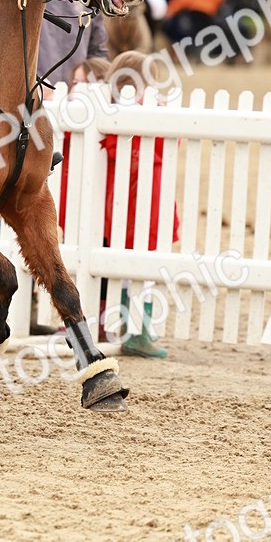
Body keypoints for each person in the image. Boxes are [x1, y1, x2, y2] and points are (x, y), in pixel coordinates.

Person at [99, 51, 180, 357]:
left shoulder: (112, 114)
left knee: (126, 268)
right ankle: (138, 331)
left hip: (125, 202)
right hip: (145, 201)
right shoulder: (151, 113)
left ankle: (131, 326)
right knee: (144, 270)